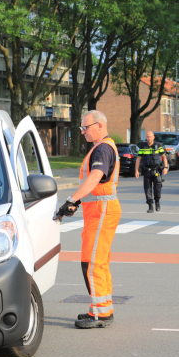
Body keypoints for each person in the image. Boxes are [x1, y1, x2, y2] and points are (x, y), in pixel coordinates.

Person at [54, 110, 121, 329]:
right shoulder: (103, 147)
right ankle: (102, 310)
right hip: (100, 209)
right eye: (81, 128)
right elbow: (96, 185)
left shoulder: (102, 148)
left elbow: (95, 177)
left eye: (86, 127)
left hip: (101, 210)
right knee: (98, 263)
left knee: (92, 263)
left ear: (100, 125)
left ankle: (100, 315)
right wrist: (78, 202)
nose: (82, 132)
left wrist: (72, 198)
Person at [135, 131, 169, 213]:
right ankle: (150, 206)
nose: (148, 138)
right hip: (147, 171)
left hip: (156, 170)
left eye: (150, 137)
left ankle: (157, 202)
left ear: (153, 137)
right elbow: (138, 159)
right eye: (147, 137)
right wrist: (136, 170)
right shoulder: (143, 147)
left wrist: (165, 167)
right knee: (147, 189)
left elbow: (164, 157)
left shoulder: (158, 146)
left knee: (157, 189)